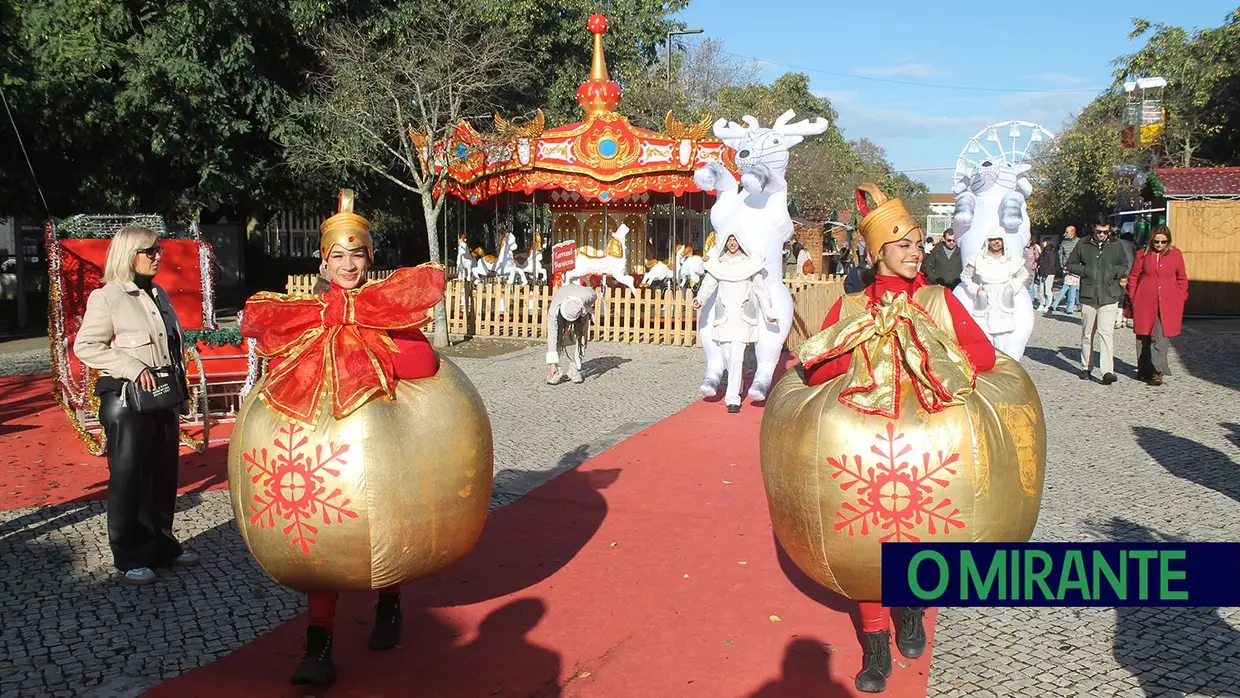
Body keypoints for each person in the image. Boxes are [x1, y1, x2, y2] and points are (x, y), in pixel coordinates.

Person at [803, 185, 997, 693]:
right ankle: (874, 644)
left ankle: (910, 610)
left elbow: (982, 356)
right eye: (905, 244)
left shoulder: (938, 299)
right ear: (877, 252)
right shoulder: (849, 307)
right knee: (868, 545)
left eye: (918, 243)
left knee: (916, 535)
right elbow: (817, 369)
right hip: (862, 450)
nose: (916, 252)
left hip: (927, 447)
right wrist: (863, 352)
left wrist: (920, 356)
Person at [274, 199, 440, 685]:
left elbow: (422, 364)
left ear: (369, 260)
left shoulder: (383, 309)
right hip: (323, 451)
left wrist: (366, 354)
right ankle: (318, 646)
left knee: (384, 528)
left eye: (358, 256)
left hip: (385, 445)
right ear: (323, 262)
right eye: (338, 257)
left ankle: (389, 604)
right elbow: (280, 371)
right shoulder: (306, 314)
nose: (348, 265)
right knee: (325, 544)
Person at [74, 226, 200, 585]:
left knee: (163, 475)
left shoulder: (158, 294)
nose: (157, 256)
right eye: (149, 251)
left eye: (158, 250)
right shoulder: (108, 297)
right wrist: (133, 367)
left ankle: (162, 544)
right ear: (129, 255)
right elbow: (87, 346)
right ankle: (130, 554)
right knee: (129, 478)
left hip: (162, 398)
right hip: (126, 401)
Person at [692, 231, 777, 413]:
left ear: (740, 242)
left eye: (735, 240)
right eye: (729, 240)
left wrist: (769, 311)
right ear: (725, 242)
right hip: (724, 315)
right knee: (727, 356)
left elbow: (761, 290)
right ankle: (736, 385)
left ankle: (733, 399)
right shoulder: (718, 264)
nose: (732, 243)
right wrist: (700, 299)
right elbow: (708, 284)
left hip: (742, 316)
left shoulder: (750, 265)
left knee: (737, 355)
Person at [1067, 220, 1129, 384]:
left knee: (1106, 333)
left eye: (1105, 232)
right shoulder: (1083, 244)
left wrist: (1114, 273)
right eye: (1099, 231)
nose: (1102, 235)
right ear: (1093, 229)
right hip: (1089, 294)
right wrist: (1086, 271)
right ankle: (1086, 367)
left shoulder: (1116, 245)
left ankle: (1107, 371)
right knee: (1087, 334)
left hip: (1109, 294)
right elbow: (1070, 264)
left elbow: (1124, 264)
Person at [1127, 225, 1188, 386]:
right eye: (1156, 241)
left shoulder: (1175, 255)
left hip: (1168, 303)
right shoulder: (1142, 254)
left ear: (1168, 241)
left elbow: (1182, 277)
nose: (1159, 245)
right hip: (1144, 301)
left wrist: (1181, 296)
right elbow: (1133, 277)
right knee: (1143, 337)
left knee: (1161, 337)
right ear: (1151, 240)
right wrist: (1133, 297)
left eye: (1163, 242)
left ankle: (1157, 371)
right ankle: (1144, 370)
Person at [959, 230, 1029, 352]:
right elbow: (965, 276)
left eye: (999, 239)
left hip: (1003, 304)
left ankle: (1004, 367)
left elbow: (1023, 275)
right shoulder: (978, 258)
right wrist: (976, 290)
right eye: (993, 239)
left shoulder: (1011, 259)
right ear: (988, 241)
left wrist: (1012, 287)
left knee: (1003, 344)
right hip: (984, 302)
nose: (996, 242)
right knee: (983, 339)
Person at [545, 283, 597, 385]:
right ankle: (555, 369)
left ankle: (575, 366)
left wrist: (588, 310)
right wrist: (552, 364)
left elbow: (594, 295)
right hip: (566, 304)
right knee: (558, 335)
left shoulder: (589, 295)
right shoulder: (554, 310)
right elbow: (552, 336)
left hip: (582, 311)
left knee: (582, 336)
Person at [1035, 238, 1059, 312]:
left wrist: (1046, 274)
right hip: (1042, 272)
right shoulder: (1044, 251)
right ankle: (1042, 303)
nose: (1042, 243)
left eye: (1044, 242)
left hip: (1049, 273)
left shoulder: (1051, 252)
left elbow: (1051, 264)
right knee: (1041, 290)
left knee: (1047, 290)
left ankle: (1048, 304)